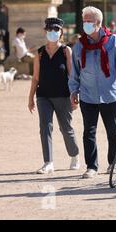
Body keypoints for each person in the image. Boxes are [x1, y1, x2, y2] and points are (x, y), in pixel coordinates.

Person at [69, 6, 116, 179]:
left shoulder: (113, 41)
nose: (85, 24)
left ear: (98, 23)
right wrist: (73, 90)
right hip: (87, 96)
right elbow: (74, 71)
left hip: (110, 95)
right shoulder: (79, 45)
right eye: (84, 21)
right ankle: (91, 166)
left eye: (89, 21)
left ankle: (113, 163)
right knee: (88, 132)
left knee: (113, 131)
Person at [28, 18, 80, 174]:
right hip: (43, 95)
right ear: (46, 32)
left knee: (66, 128)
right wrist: (30, 98)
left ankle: (75, 155)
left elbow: (72, 75)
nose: (52, 33)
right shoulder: (40, 53)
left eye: (55, 30)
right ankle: (48, 162)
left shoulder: (66, 51)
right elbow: (35, 77)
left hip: (63, 95)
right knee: (45, 127)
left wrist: (75, 94)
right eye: (49, 30)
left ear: (61, 33)